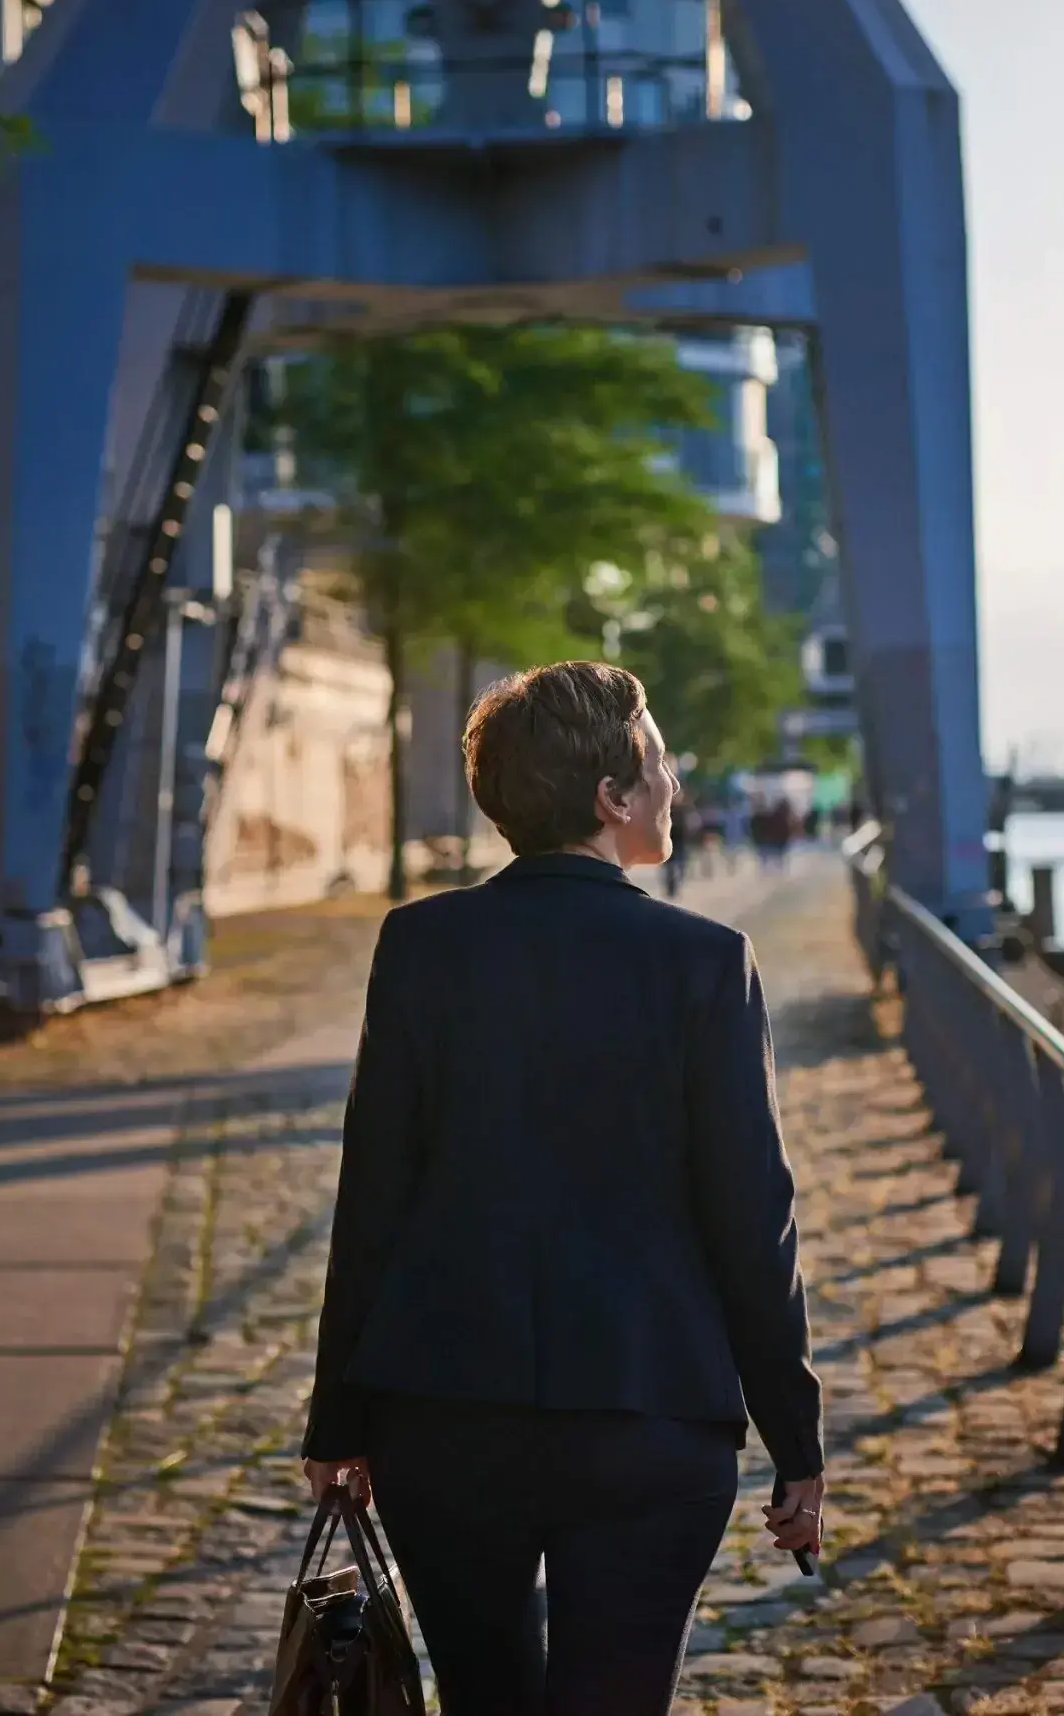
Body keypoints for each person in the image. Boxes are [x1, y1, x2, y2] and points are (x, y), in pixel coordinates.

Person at [303, 661, 824, 1716]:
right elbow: (749, 1217)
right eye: (660, 764)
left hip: (443, 1411)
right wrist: (794, 1436)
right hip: (648, 1415)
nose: (673, 786)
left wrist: (338, 1420)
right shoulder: (703, 962)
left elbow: (375, 1195)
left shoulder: (422, 946)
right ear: (612, 797)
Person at [662, 795, 694, 900]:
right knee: (670, 868)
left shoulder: (684, 809)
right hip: (669, 842)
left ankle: (677, 886)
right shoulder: (666, 809)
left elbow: (690, 825)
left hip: (681, 842)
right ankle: (671, 890)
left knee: (680, 866)